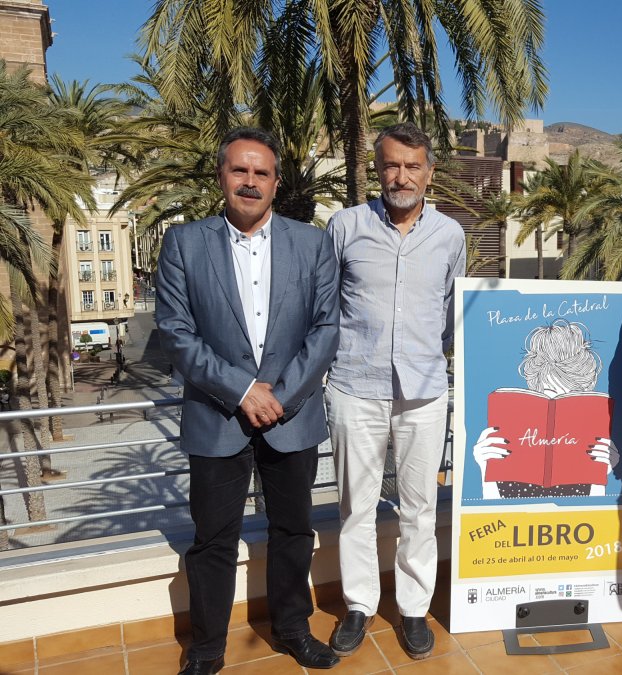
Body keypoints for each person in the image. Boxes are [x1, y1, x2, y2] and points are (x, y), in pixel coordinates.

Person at [155, 127, 340, 674]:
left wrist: (278, 396)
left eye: (262, 172)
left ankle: (293, 628)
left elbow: (326, 328)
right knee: (212, 539)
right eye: (240, 170)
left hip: (291, 415)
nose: (250, 182)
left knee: (293, 531)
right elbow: (176, 331)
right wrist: (241, 391)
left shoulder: (313, 243)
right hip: (217, 417)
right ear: (222, 176)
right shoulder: (184, 243)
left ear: (277, 182)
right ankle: (207, 647)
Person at [326, 122, 466, 660]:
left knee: (419, 508)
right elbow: (325, 303)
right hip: (354, 387)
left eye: (412, 166)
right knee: (355, 507)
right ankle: (359, 605)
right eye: (391, 165)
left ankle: (412, 609)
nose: (401, 176)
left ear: (429, 172)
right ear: (377, 169)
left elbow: (450, 311)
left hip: (425, 391)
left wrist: (431, 353)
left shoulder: (450, 235)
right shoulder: (345, 226)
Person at [472, 319, 618, 499]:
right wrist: (485, 468)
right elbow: (493, 512)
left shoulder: (592, 445)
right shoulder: (507, 441)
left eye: (572, 396)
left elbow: (594, 511)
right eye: (549, 393)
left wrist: (602, 472)